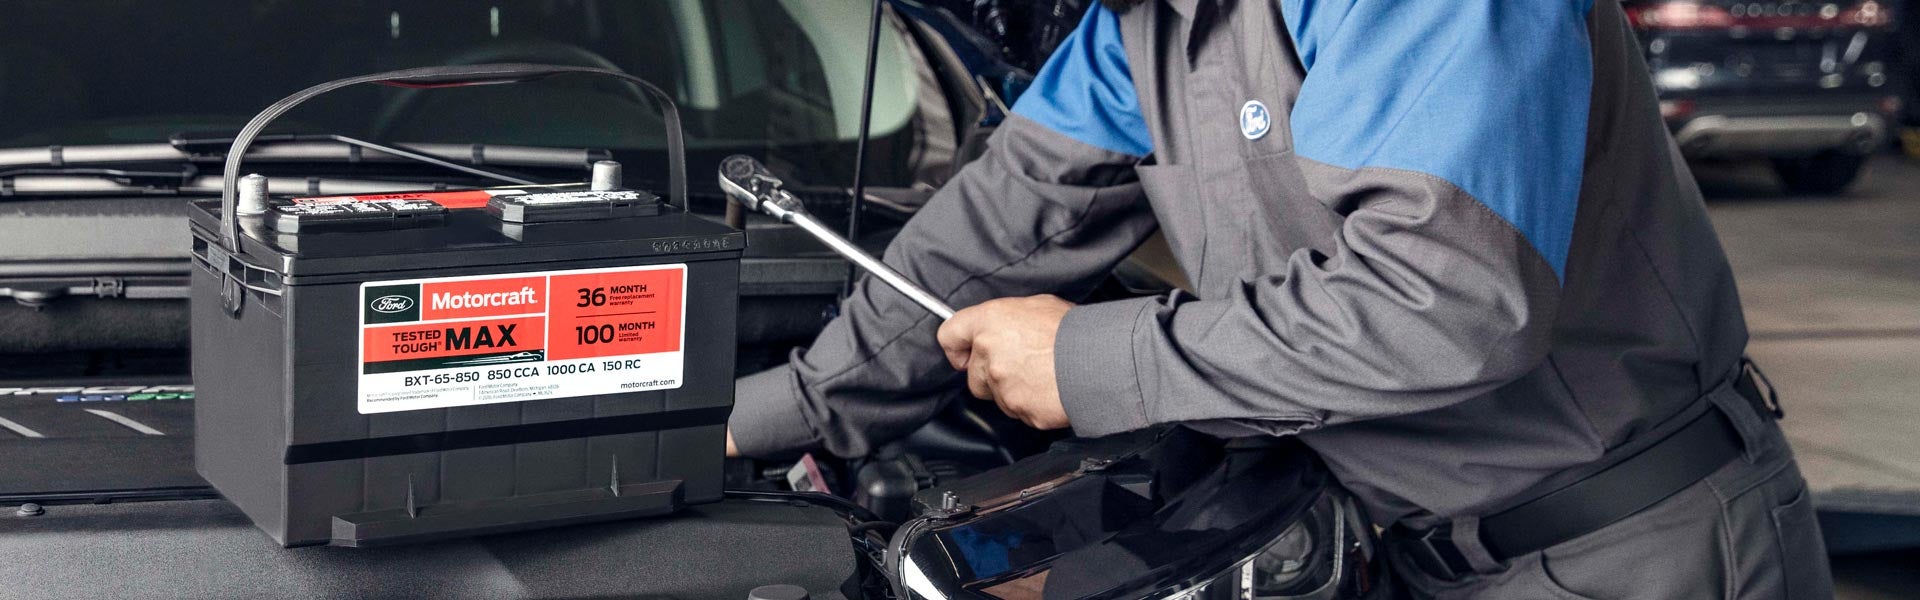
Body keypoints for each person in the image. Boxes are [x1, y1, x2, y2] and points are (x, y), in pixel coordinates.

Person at [729, 0, 1832, 597]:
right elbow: (990, 234)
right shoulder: (1140, 31)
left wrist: (1088, 365)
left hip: (1636, 550)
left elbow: (1447, 300)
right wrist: (750, 422)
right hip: (1404, 546)